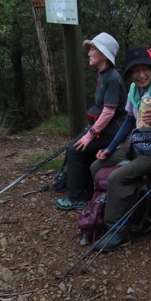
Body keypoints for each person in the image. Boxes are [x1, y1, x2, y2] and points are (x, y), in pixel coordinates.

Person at [89, 48, 151, 250]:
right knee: (97, 166)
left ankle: (117, 229)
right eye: (135, 71)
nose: (141, 75)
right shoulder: (134, 89)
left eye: (144, 69)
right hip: (138, 144)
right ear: (130, 75)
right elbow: (129, 121)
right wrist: (110, 147)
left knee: (116, 178)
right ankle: (102, 207)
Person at [56, 33, 127, 211]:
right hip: (107, 128)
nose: (89, 52)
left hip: (114, 130)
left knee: (75, 150)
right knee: (74, 147)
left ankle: (77, 198)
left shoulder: (111, 78)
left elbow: (108, 112)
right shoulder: (103, 74)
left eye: (93, 49)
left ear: (104, 54)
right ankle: (84, 190)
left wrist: (90, 134)